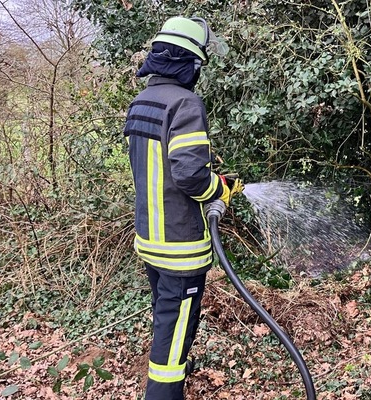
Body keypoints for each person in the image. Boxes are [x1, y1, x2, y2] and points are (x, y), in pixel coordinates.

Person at [123, 16, 242, 400]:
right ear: (188, 64)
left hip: (150, 241)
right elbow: (190, 176)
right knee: (171, 346)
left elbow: (164, 169)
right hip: (180, 248)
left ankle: (173, 369)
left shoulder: (142, 102)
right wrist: (218, 191)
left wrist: (208, 181)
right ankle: (164, 389)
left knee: (167, 321)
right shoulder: (185, 104)